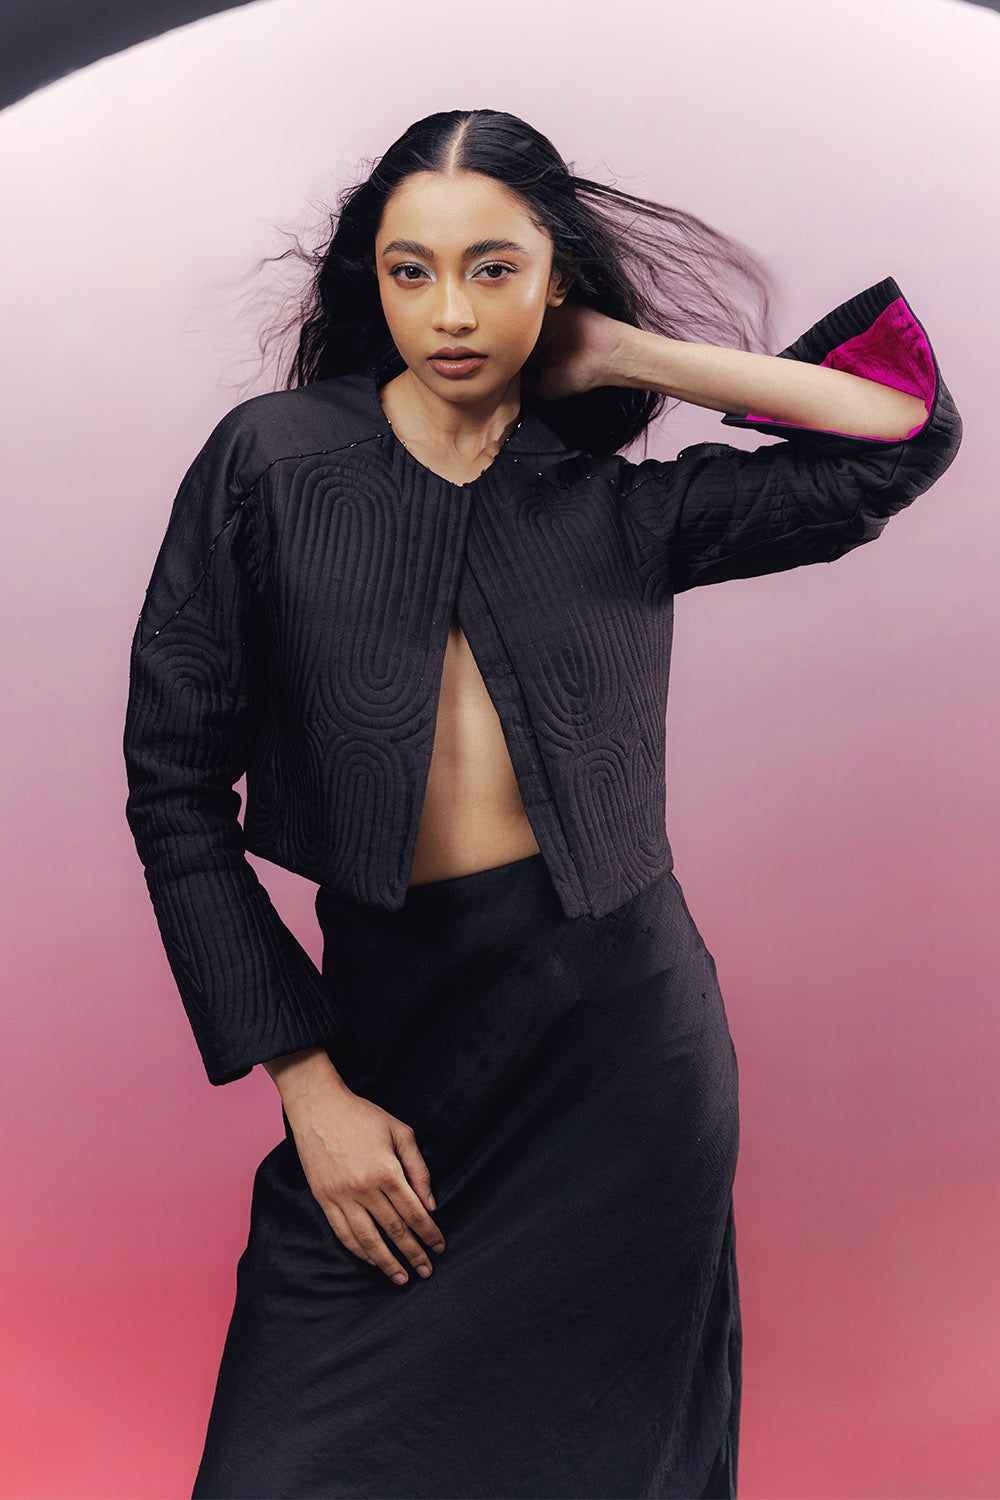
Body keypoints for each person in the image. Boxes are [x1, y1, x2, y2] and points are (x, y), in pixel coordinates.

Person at [121, 108, 962, 1500]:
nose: (450, 313)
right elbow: (172, 791)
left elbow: (899, 438)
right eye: (411, 271)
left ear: (555, 275)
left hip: (622, 1062)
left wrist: (624, 356)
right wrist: (308, 1088)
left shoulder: (614, 503)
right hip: (391, 1045)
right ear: (372, 279)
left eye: (494, 269)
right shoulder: (271, 462)